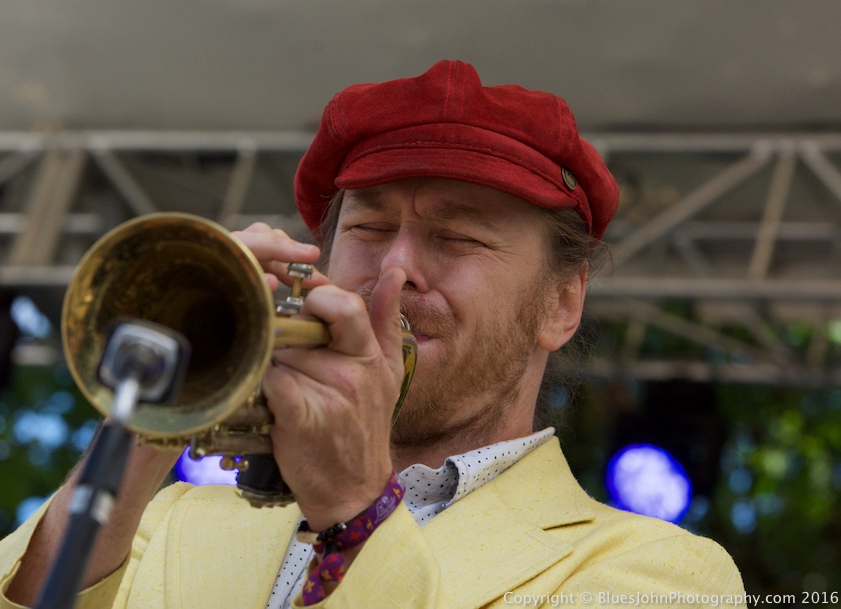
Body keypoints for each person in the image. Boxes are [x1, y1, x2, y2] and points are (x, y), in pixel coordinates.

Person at [0, 60, 746, 608]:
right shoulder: (167, 520)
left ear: (562, 300)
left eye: (457, 237)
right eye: (369, 227)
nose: (394, 269)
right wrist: (148, 424)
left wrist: (357, 507)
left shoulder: (658, 571)